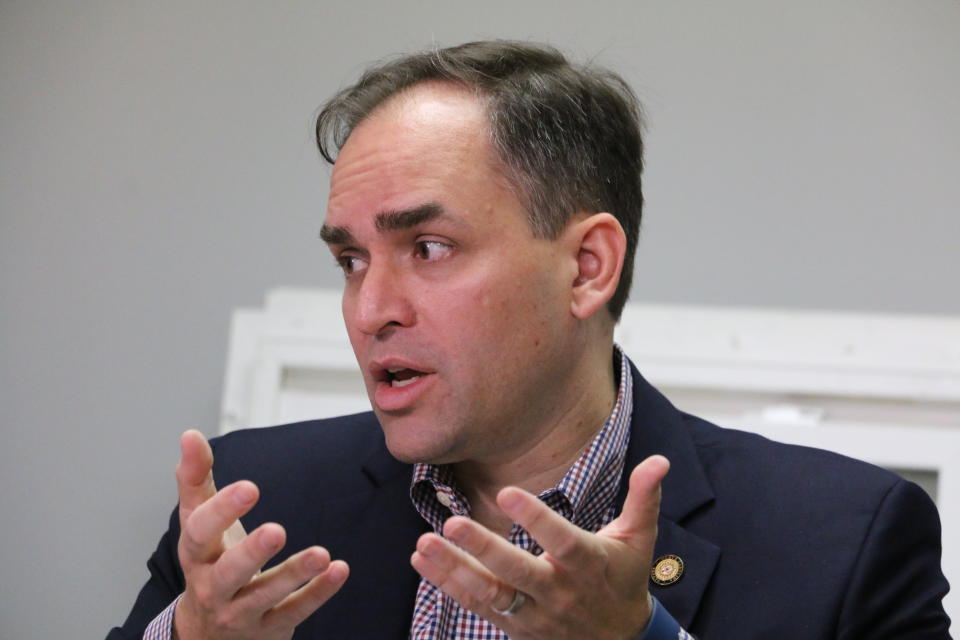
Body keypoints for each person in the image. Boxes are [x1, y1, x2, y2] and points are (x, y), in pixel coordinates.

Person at [109, 41, 951, 640]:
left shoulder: (844, 540)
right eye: (351, 259)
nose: (371, 309)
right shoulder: (255, 509)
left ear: (587, 267)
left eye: (428, 249)